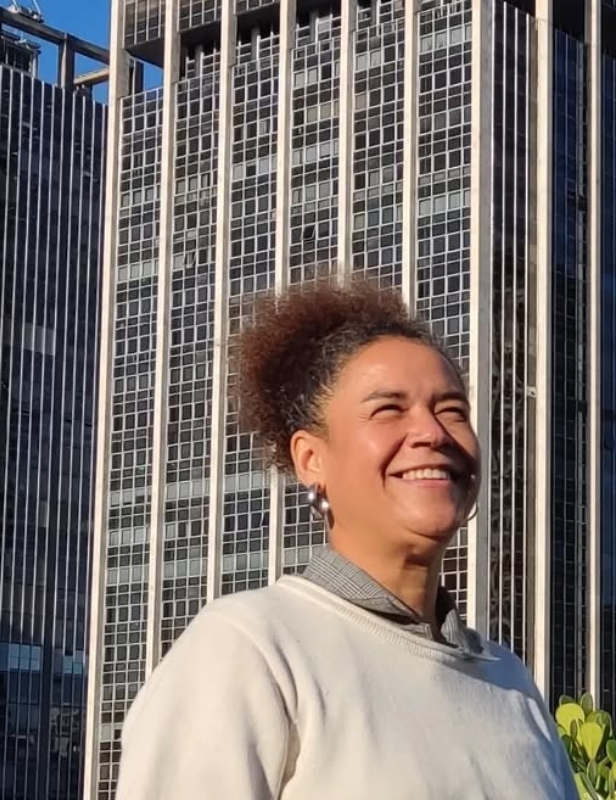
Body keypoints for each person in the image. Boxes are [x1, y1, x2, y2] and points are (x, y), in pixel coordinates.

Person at [116, 279, 578, 799]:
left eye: (452, 410)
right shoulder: (250, 648)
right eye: (389, 409)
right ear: (311, 459)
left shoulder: (511, 682)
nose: (432, 432)